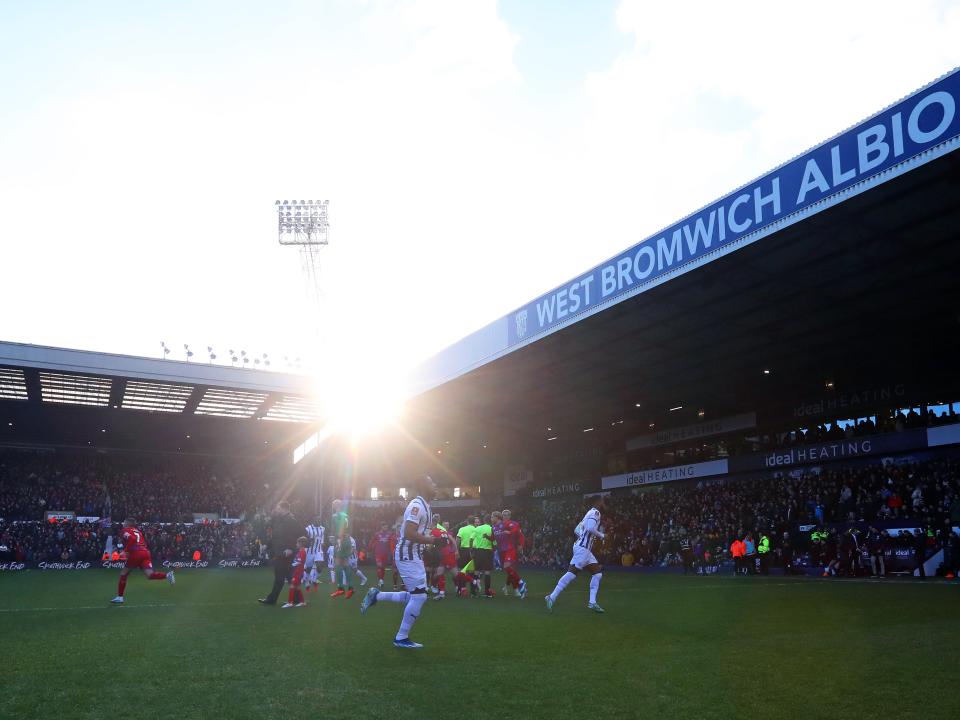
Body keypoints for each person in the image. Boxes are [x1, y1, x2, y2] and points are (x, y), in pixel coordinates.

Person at [360, 476, 448, 648]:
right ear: (423, 486)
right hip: (407, 555)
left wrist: (430, 547)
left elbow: (418, 534)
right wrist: (432, 541)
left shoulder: (426, 506)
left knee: (416, 595)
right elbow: (408, 532)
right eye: (431, 482)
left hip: (414, 555)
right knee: (420, 596)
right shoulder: (417, 506)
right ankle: (401, 638)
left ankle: (376, 595)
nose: (435, 484)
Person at [545, 495, 606, 613]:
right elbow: (590, 528)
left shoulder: (588, 514)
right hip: (583, 549)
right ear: (598, 502)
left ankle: (592, 602)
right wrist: (602, 535)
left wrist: (583, 539)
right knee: (571, 573)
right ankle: (551, 597)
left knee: (597, 574)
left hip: (584, 549)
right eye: (602, 501)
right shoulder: (596, 513)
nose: (603, 503)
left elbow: (577, 530)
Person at [110, 519, 175, 604]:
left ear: (127, 523)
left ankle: (120, 597)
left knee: (123, 573)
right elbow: (141, 542)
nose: (123, 523)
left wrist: (125, 551)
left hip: (136, 553)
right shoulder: (138, 531)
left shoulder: (125, 530)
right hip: (146, 552)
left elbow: (132, 539)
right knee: (150, 575)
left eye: (124, 522)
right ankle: (167, 575)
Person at [259, 501, 301, 605]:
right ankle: (297, 599)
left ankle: (272, 599)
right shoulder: (279, 520)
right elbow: (275, 537)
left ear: (283, 508)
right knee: (288, 577)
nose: (276, 510)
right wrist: (266, 545)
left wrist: (291, 549)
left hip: (286, 553)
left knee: (280, 577)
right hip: (280, 552)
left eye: (278, 508)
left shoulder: (291, 520)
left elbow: (301, 535)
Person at [497, 509, 527, 598]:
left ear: (510, 516)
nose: (505, 516)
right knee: (509, 570)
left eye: (507, 515)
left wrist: (521, 545)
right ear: (502, 516)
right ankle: (506, 587)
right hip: (502, 550)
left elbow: (520, 535)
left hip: (511, 549)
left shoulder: (514, 524)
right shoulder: (499, 525)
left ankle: (517, 588)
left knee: (510, 568)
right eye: (504, 515)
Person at [330, 499, 354, 598]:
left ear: (335, 506)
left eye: (333, 505)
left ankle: (340, 589)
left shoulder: (335, 516)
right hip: (347, 539)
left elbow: (335, 529)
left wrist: (334, 537)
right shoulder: (346, 516)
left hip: (340, 540)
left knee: (338, 564)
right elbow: (350, 528)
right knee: (346, 564)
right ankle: (351, 588)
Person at [473, 513, 496, 598]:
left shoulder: (478, 528)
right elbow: (494, 542)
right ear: (491, 520)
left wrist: (472, 550)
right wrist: (493, 549)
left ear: (483, 520)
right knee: (487, 572)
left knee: (476, 571)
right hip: (488, 551)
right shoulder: (491, 529)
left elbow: (472, 539)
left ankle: (474, 592)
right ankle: (487, 592)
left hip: (478, 551)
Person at [282, 537, 308, 608]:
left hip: (298, 572)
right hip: (298, 571)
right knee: (297, 587)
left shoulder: (302, 551)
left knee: (292, 586)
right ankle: (302, 602)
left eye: (297, 543)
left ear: (301, 544)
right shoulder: (301, 551)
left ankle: (290, 602)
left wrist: (291, 565)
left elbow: (299, 562)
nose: (296, 544)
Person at [368, 523, 394, 589]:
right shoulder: (377, 534)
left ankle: (381, 579)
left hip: (386, 553)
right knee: (379, 566)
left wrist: (391, 552)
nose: (386, 528)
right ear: (381, 527)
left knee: (383, 568)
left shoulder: (389, 534)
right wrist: (369, 548)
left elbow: (391, 543)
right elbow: (371, 541)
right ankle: (381, 580)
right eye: (385, 527)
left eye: (387, 527)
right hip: (378, 553)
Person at [304, 515, 325, 590]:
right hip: (310, 551)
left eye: (320, 520)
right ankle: (307, 581)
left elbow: (322, 539)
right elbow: (304, 539)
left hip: (319, 550)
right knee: (308, 568)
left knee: (319, 567)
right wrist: (309, 540)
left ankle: (315, 579)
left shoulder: (322, 529)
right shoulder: (308, 528)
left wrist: (322, 548)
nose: (319, 521)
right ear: (314, 520)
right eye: (317, 519)